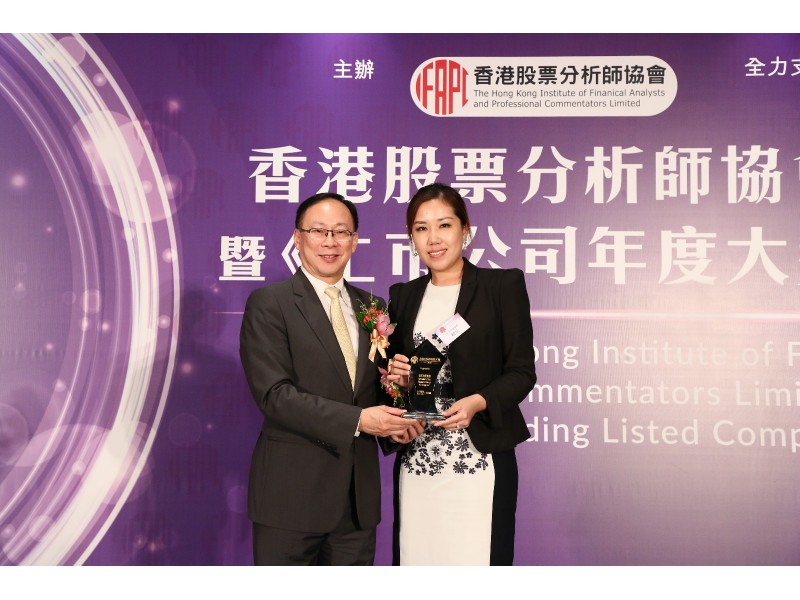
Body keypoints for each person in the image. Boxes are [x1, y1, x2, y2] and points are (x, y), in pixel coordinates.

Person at [239, 192, 421, 566]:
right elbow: (275, 395)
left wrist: (394, 423)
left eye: (341, 232)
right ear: (297, 237)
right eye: (319, 231)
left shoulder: (373, 308)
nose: (330, 242)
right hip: (290, 499)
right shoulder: (270, 303)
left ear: (354, 241)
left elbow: (373, 391)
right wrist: (359, 421)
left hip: (356, 504)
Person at [385, 183, 537, 565]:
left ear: (464, 229)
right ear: (411, 237)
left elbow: (521, 371)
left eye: (444, 225)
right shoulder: (403, 296)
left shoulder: (501, 286)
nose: (433, 239)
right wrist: (396, 382)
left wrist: (478, 401)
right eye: (421, 228)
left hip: (478, 457)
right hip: (419, 461)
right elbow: (399, 382)